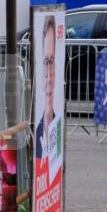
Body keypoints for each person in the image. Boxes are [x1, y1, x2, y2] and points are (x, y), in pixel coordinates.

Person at [35, 14, 60, 161]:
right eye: (46, 62)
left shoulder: (57, 124)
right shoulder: (36, 131)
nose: (49, 74)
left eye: (52, 61)